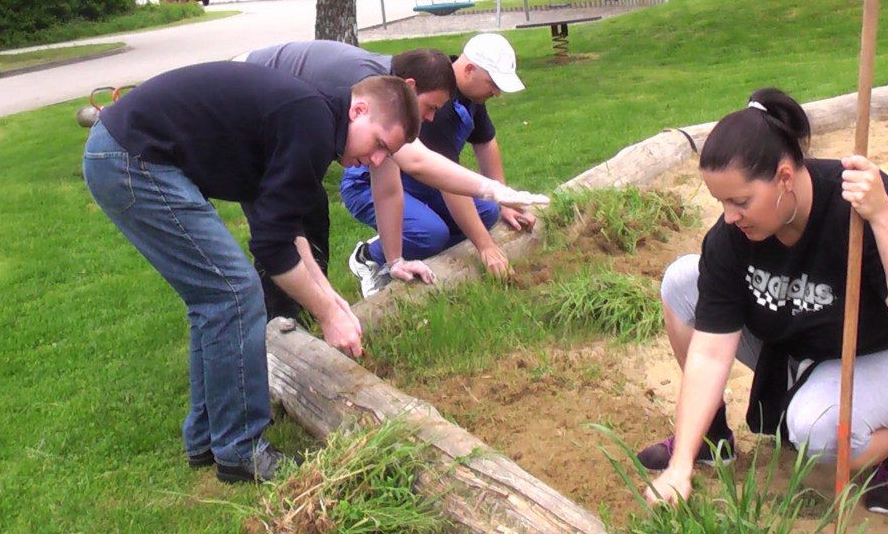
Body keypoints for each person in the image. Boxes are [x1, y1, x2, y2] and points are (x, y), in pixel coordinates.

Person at [82, 61, 421, 485]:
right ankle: (241, 450)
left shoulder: (313, 115)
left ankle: (207, 438)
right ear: (359, 111)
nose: (376, 160)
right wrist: (328, 316)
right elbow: (272, 248)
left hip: (123, 152)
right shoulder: (312, 122)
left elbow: (283, 224)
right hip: (130, 158)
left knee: (214, 298)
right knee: (235, 293)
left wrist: (328, 296)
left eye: (387, 155)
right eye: (379, 144)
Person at [638, 87, 888, 526]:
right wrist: (680, 468)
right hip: (808, 348)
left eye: (740, 201)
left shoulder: (858, 203)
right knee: (682, 281)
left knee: (814, 426)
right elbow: (711, 352)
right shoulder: (732, 237)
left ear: (785, 178)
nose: (729, 216)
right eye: (721, 202)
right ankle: (708, 439)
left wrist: (882, 215)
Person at [238, 39, 548, 304]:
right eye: (430, 108)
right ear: (410, 88)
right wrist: (495, 192)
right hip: (248, 105)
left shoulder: (387, 98)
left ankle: (309, 313)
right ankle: (281, 326)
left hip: (285, 116)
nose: (429, 118)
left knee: (310, 219)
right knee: (288, 225)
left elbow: (387, 188)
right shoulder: (373, 92)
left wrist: (395, 260)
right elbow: (419, 163)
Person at [341, 33, 538, 297]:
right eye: (493, 83)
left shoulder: (469, 97)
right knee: (429, 234)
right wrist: (485, 246)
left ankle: (418, 240)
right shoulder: (437, 106)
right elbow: (447, 183)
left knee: (488, 212)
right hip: (368, 183)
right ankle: (369, 257)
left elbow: (485, 143)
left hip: (414, 181)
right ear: (469, 69)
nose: (497, 92)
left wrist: (504, 200)